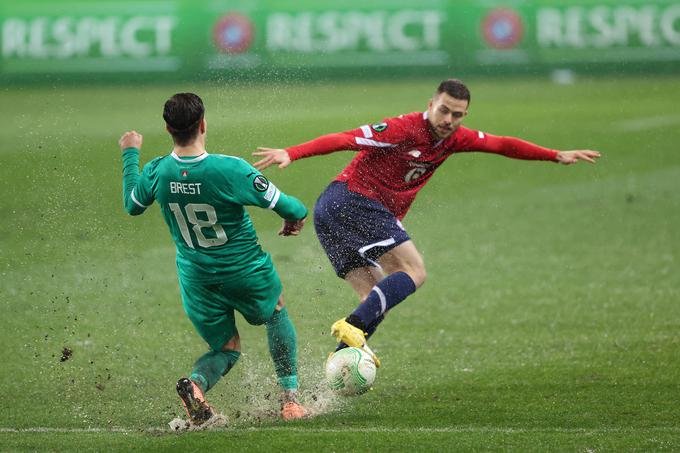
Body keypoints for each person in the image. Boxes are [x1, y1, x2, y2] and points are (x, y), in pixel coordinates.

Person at [253, 79, 600, 366]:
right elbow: (344, 139)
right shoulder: (403, 128)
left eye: (457, 115)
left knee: (376, 301)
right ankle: (352, 326)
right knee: (414, 271)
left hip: (331, 211)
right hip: (353, 202)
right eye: (444, 110)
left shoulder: (455, 138)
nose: (449, 119)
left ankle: (342, 364)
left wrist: (555, 155)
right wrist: (292, 152)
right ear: (431, 103)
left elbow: (501, 144)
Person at [119, 93, 308, 423]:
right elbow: (294, 208)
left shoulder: (157, 171)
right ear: (203, 124)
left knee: (226, 348)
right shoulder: (229, 169)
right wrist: (294, 219)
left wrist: (130, 153)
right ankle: (290, 401)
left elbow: (133, 205)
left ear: (167, 129)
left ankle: (196, 385)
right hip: (243, 269)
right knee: (276, 311)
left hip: (197, 279)